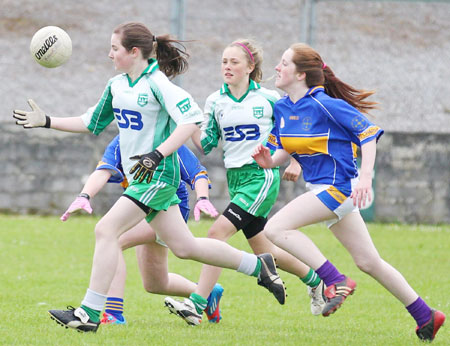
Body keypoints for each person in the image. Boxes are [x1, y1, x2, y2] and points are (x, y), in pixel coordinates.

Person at [13, 22, 285, 333]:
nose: (110, 54)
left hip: (156, 178)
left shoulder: (158, 83)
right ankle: (259, 267)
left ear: (134, 52)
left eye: (115, 49)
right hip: (144, 179)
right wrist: (47, 121)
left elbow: (190, 121)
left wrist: (157, 154)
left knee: (105, 230)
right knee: (185, 247)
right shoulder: (117, 85)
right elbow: (90, 122)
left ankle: (89, 313)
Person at [251, 43, 445, 342]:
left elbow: (368, 134)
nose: (277, 68)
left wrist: (366, 176)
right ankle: (425, 315)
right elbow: (282, 150)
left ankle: (334, 280)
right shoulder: (282, 108)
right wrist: (270, 161)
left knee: (275, 228)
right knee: (369, 262)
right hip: (323, 189)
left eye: (283, 63)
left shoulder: (324, 103)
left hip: (339, 188)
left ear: (301, 74)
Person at [164, 39, 326, 326]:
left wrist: (296, 161)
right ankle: (316, 280)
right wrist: (189, 122)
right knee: (268, 251)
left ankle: (197, 304)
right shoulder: (215, 101)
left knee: (216, 235)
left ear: (251, 67)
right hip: (236, 179)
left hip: (260, 177)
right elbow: (207, 144)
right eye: (224, 62)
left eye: (234, 62)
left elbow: (294, 132)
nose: (227, 66)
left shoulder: (270, 99)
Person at [61, 135, 223, 325]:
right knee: (155, 284)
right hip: (142, 210)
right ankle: (206, 292)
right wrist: (84, 195)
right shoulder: (122, 140)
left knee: (114, 239)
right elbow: (104, 170)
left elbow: (198, 173)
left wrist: (203, 198)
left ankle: (113, 314)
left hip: (171, 209)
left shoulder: (165, 139)